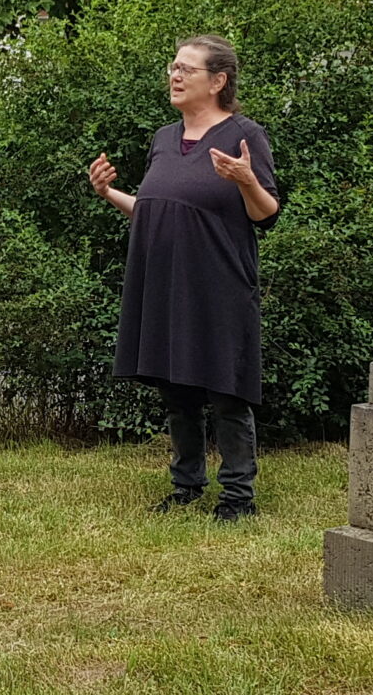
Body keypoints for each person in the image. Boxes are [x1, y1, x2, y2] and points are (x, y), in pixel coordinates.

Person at [89, 35, 281, 522]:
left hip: (219, 281)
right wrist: (110, 192)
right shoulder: (162, 138)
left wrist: (246, 179)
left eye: (186, 69)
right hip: (165, 280)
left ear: (218, 81)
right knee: (177, 387)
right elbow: (157, 210)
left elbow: (266, 214)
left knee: (226, 389)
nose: (174, 76)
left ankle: (238, 497)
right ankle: (186, 485)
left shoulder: (245, 134)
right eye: (172, 67)